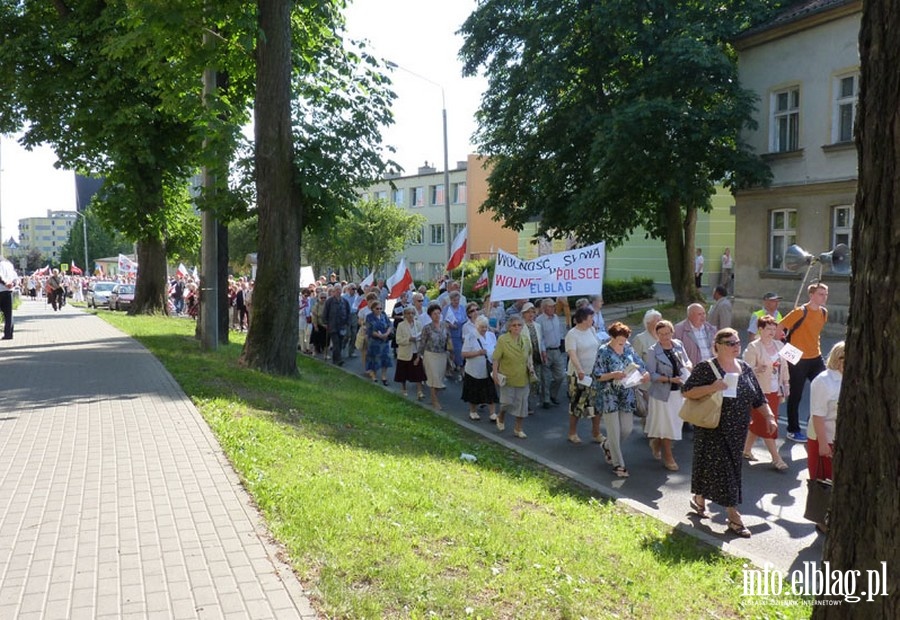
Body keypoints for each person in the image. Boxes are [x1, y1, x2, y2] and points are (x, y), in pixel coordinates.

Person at [683, 328, 776, 538]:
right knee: (727, 471)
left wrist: (769, 417)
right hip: (713, 427)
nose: (736, 346)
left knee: (717, 466)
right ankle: (734, 517)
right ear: (718, 346)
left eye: (737, 342)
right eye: (731, 343)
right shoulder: (707, 368)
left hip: (738, 429)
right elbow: (687, 391)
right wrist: (712, 387)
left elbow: (758, 397)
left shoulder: (744, 367)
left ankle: (699, 498)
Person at [594, 322, 650, 478]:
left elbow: (640, 364)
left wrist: (644, 373)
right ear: (611, 337)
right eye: (620, 340)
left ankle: (606, 445)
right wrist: (613, 374)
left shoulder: (628, 347)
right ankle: (619, 465)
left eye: (625, 339)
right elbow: (597, 375)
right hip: (609, 395)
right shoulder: (603, 351)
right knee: (613, 431)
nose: (623, 343)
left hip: (627, 394)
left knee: (626, 429)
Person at [778, 283, 829, 442]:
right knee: (796, 395)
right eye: (821, 294)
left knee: (824, 391)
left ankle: (813, 424)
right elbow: (779, 329)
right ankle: (793, 429)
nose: (824, 297)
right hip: (798, 359)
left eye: (825, 294)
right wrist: (790, 355)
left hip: (816, 357)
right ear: (811, 295)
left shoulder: (823, 312)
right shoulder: (800, 312)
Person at [742, 316, 791, 470]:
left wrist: (786, 383)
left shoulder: (780, 345)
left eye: (773, 329)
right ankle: (776, 458)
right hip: (758, 392)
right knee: (768, 422)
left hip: (775, 390)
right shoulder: (753, 347)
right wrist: (757, 369)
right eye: (768, 329)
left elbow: (791, 363)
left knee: (759, 421)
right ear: (760, 330)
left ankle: (745, 450)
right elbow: (744, 370)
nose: (771, 332)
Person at [645, 320, 692, 471]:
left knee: (675, 423)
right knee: (667, 426)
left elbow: (687, 361)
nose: (665, 337)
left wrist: (687, 369)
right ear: (656, 334)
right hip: (662, 394)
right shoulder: (653, 351)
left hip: (678, 392)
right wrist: (670, 379)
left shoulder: (678, 344)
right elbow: (651, 374)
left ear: (672, 332)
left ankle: (656, 442)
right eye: (661, 334)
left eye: (667, 333)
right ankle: (668, 456)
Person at [807, 341, 844, 485]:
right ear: (838, 358)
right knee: (823, 485)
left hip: (841, 437)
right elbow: (818, 415)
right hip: (824, 438)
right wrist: (822, 444)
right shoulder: (823, 381)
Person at [564, 306, 603, 444]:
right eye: (590, 317)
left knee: (597, 403)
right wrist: (580, 369)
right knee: (578, 403)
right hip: (578, 374)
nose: (592, 320)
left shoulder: (592, 330)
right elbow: (572, 354)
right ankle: (572, 432)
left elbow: (597, 347)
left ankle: (596, 432)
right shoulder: (572, 334)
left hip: (594, 372)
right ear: (583, 319)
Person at [491, 314, 533, 439]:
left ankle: (518, 428)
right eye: (514, 325)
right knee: (506, 403)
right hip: (508, 377)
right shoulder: (503, 340)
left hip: (523, 377)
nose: (517, 327)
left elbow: (529, 354)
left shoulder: (525, 339)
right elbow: (496, 358)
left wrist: (531, 367)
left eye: (519, 325)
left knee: (522, 405)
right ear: (509, 327)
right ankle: (501, 416)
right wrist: (495, 374)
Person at [461, 316, 498, 421]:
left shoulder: (491, 335)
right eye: (482, 327)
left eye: (486, 327)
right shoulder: (470, 337)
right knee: (474, 391)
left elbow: (495, 349)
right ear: (477, 326)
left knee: (491, 391)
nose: (484, 329)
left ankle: (493, 413)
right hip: (474, 370)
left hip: (488, 368)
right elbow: (464, 353)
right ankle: (473, 411)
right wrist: (478, 353)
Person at [419, 303, 450, 410]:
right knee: (433, 378)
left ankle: (434, 397)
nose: (437, 315)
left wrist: (451, 352)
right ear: (430, 315)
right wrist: (419, 356)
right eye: (434, 314)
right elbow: (422, 342)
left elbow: (448, 340)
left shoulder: (445, 325)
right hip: (430, 355)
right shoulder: (427, 328)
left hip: (442, 354)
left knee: (439, 379)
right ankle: (434, 401)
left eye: (438, 313)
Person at [536, 298, 566, 408]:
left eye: (554, 306)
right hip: (547, 351)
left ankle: (553, 394)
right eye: (550, 306)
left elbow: (560, 332)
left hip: (557, 350)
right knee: (545, 377)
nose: (553, 308)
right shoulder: (539, 320)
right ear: (544, 308)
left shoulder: (556, 318)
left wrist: (562, 345)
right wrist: (543, 351)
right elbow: (540, 338)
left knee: (560, 376)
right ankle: (546, 399)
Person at [394, 306, 426, 399]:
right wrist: (408, 339)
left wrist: (418, 339)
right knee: (403, 372)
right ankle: (403, 389)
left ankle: (419, 391)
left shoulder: (418, 324)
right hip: (405, 352)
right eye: (408, 313)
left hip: (416, 351)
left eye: (412, 313)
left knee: (418, 372)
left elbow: (422, 336)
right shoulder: (401, 325)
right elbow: (398, 340)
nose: (410, 315)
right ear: (404, 315)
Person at [520, 302, 544, 412]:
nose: (531, 314)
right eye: (528, 312)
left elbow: (540, 340)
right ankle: (526, 404)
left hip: (537, 356)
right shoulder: (520, 326)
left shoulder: (537, 326)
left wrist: (543, 351)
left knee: (535, 380)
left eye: (532, 312)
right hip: (526, 358)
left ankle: (529, 400)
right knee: (527, 381)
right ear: (523, 314)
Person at [365, 300, 393, 384]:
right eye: (377, 308)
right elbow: (369, 329)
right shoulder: (369, 317)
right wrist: (379, 335)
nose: (379, 310)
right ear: (373, 309)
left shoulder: (384, 315)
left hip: (384, 341)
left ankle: (384, 376)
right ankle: (374, 375)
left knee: (385, 358)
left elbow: (390, 325)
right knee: (374, 358)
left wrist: (387, 333)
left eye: (381, 308)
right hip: (374, 341)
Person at [324, 284, 351, 366]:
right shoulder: (329, 301)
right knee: (335, 343)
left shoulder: (344, 301)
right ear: (333, 291)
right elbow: (325, 312)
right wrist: (325, 322)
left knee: (340, 343)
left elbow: (348, 312)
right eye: (336, 290)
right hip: (332, 325)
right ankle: (338, 359)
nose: (338, 291)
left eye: (339, 290)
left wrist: (347, 323)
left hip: (342, 326)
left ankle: (335, 359)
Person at [0, 255, 19, 340]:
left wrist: (5, 283)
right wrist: (12, 284)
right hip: (9, 291)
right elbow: (16, 278)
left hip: (1, 289)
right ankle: (8, 334)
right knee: (9, 314)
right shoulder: (10, 264)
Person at [309, 290, 329, 357]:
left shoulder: (327, 305)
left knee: (326, 340)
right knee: (316, 339)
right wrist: (315, 326)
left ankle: (325, 353)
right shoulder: (316, 305)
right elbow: (314, 316)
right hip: (318, 324)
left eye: (325, 297)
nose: (323, 299)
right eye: (322, 297)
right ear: (319, 298)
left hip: (326, 325)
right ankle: (314, 351)